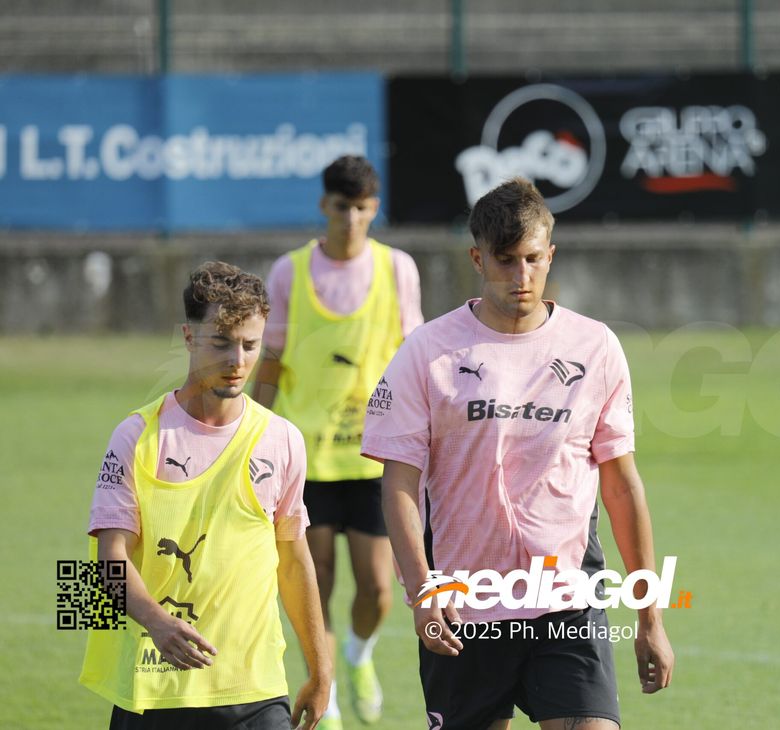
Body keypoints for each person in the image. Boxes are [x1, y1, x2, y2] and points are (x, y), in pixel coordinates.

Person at [361, 177, 674, 730]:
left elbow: (622, 486)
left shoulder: (595, 347)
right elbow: (400, 486)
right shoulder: (427, 352)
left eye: (533, 259)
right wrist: (421, 590)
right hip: (465, 605)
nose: (521, 276)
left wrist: (651, 616)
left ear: (550, 254)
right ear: (477, 258)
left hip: (567, 600)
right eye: (505, 261)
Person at [80, 261, 331, 729]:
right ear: (189, 337)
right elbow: (107, 560)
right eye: (221, 343)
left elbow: (294, 561)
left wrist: (321, 670)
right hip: (155, 691)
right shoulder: (136, 436)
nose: (237, 361)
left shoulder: (282, 439)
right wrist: (156, 622)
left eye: (250, 345)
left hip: (255, 692)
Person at [252, 154, 423, 726]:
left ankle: (358, 655)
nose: (351, 218)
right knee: (314, 580)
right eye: (342, 206)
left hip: (375, 459)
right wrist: (252, 433)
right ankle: (322, 692)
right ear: (324, 206)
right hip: (306, 461)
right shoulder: (289, 272)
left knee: (378, 589)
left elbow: (414, 361)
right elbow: (270, 362)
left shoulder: (398, 269)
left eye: (362, 208)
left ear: (374, 210)